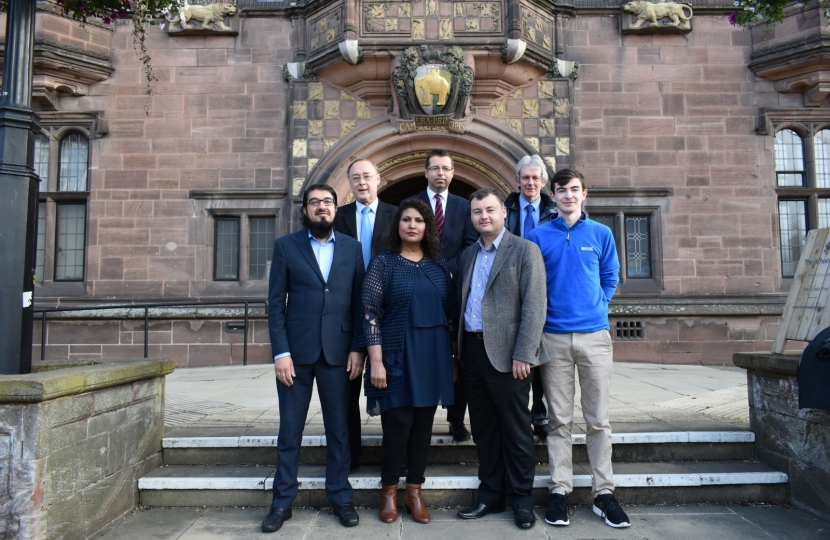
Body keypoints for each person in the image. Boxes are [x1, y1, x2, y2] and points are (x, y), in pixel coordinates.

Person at [526, 169, 631, 529]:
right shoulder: (538, 236)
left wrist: (598, 305)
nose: (568, 196)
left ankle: (604, 493)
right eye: (561, 191)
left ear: (584, 194)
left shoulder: (601, 233)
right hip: (552, 337)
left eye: (574, 190)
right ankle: (560, 490)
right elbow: (533, 284)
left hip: (594, 337)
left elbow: (610, 275)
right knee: (558, 420)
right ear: (551, 196)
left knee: (598, 419)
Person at [263, 184, 365, 533]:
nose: (322, 208)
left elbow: (359, 304)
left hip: (338, 355)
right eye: (314, 203)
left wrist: (357, 349)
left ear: (336, 209)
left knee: (339, 432)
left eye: (327, 202)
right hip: (296, 354)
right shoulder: (286, 247)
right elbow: (275, 304)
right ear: (305, 210)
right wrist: (281, 352)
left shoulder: (353, 249)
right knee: (290, 432)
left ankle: (340, 496)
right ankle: (281, 503)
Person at [455, 188, 548, 530]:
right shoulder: (468, 255)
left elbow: (535, 306)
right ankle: (490, 493)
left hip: (510, 356)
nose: (484, 217)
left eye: (490, 210)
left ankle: (521, 500)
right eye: (477, 212)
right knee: (484, 430)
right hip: (473, 354)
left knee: (516, 430)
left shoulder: (525, 250)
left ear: (504, 213)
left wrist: (524, 353)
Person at [360, 199, 456, 525]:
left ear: (427, 227)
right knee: (398, 425)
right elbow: (370, 313)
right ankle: (388, 491)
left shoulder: (439, 266)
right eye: (406, 220)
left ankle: (414, 490)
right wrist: (376, 362)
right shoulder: (383, 264)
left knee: (422, 428)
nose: (412, 225)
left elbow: (450, 313)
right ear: (397, 226)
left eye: (418, 220)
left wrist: (453, 358)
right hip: (396, 355)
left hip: (432, 356)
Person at [333, 158, 397, 471]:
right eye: (355, 178)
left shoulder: (396, 215)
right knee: (347, 391)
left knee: (392, 388)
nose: (362, 182)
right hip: (346, 315)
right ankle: (350, 457)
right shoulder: (338, 217)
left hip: (390, 314)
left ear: (378, 179)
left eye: (367, 177)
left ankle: (394, 458)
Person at [409, 149, 477, 442]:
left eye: (445, 168)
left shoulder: (465, 207)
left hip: (457, 287)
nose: (440, 173)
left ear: (452, 172)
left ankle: (456, 418)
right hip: (419, 288)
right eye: (434, 168)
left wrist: (445, 270)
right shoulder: (411, 205)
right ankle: (418, 415)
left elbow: (471, 243)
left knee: (458, 355)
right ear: (425, 172)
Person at [504, 155, 557, 441]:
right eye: (525, 178)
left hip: (546, 290)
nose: (530, 183)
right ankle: (521, 417)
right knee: (519, 355)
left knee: (542, 358)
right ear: (517, 180)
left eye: (536, 178)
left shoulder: (555, 212)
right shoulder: (506, 209)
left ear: (543, 182)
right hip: (511, 291)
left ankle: (541, 413)